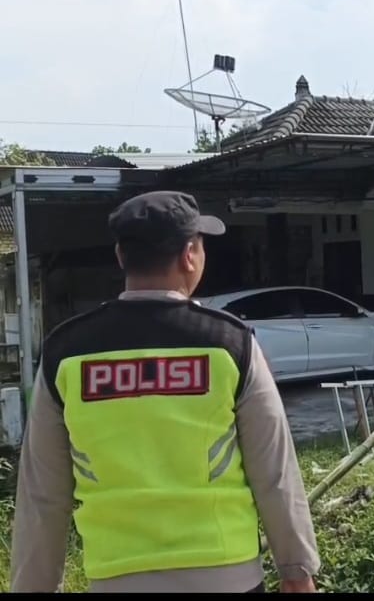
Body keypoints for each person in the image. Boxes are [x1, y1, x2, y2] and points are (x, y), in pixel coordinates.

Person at [10, 191, 320, 593]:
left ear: (121, 256)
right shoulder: (230, 344)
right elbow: (274, 471)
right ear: (190, 254)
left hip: (117, 578)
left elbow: (42, 496)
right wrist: (296, 568)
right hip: (227, 576)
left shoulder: (65, 353)